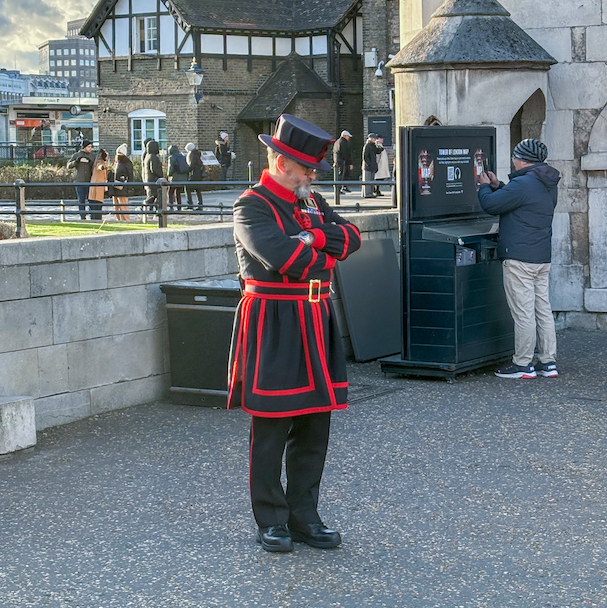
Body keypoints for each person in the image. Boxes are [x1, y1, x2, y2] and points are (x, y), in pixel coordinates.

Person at [228, 114, 361, 553]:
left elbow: (353, 239)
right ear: (283, 162)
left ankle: (305, 516)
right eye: (306, 168)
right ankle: (271, 519)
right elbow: (287, 259)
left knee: (314, 429)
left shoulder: (310, 202)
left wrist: (314, 236)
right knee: (271, 429)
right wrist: (320, 247)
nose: (312, 175)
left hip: (315, 321)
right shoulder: (252, 205)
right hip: (275, 323)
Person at [478, 138, 560, 379]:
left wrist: (484, 186)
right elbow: (518, 199)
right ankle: (547, 362)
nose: (512, 160)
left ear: (522, 160)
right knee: (542, 309)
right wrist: (499, 184)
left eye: (515, 156)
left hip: (520, 258)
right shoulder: (546, 182)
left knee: (523, 312)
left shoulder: (524, 183)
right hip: (541, 256)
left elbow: (491, 205)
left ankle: (522, 365)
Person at [67, 139, 94, 220]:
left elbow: (95, 167)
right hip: (79, 181)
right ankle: (83, 217)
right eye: (89, 147)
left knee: (91, 200)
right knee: (81, 201)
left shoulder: (92, 156)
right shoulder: (76, 155)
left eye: (91, 147)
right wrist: (76, 162)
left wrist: (90, 163)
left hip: (89, 181)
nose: (90, 148)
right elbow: (68, 165)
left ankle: (92, 216)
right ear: (84, 147)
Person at [112, 144, 133, 221]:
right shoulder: (118, 162)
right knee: (117, 206)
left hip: (122, 187)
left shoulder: (127, 163)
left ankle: (126, 220)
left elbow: (130, 176)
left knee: (123, 205)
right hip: (116, 186)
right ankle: (119, 219)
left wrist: (129, 187)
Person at [88, 149, 108, 221]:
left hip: (95, 188)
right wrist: (102, 167)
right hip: (98, 188)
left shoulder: (96, 163)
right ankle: (97, 219)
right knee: (97, 206)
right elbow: (100, 167)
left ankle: (94, 219)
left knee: (94, 206)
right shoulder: (100, 163)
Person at [143, 139, 163, 211]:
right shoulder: (153, 157)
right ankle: (144, 207)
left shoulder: (148, 156)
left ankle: (150, 209)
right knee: (154, 196)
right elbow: (154, 169)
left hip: (149, 179)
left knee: (152, 196)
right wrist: (161, 175)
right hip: (153, 179)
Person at [168, 144, 189, 211]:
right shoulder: (183, 156)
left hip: (175, 177)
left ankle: (171, 206)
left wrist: (168, 174)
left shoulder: (172, 157)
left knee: (170, 192)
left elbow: (171, 168)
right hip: (183, 177)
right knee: (178, 193)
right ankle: (179, 206)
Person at [185, 142, 205, 210]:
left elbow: (192, 165)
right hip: (199, 174)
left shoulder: (192, 155)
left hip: (193, 174)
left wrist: (187, 170)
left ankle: (190, 204)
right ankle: (200, 204)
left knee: (187, 188)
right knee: (198, 190)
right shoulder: (198, 154)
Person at [361, 133, 382, 198]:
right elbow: (365, 157)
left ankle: (370, 193)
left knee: (371, 181)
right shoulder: (367, 146)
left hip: (372, 166)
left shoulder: (373, 145)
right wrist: (369, 164)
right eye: (373, 138)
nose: (374, 139)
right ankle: (367, 194)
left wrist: (379, 145)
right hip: (367, 167)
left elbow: (378, 151)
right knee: (367, 180)